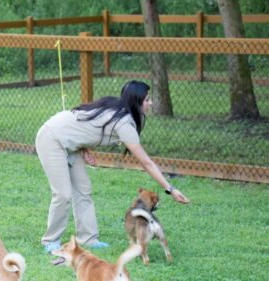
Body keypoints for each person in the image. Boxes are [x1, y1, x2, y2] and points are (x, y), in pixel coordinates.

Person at [35, 80, 189, 254]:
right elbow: (146, 162)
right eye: (147, 99)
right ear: (136, 101)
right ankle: (51, 241)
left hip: (70, 143)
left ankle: (88, 238)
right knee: (63, 194)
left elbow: (86, 127)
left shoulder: (119, 112)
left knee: (83, 190)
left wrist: (83, 147)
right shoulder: (123, 122)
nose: (150, 103)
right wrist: (170, 189)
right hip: (52, 138)